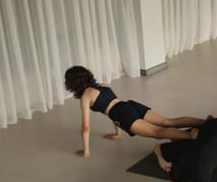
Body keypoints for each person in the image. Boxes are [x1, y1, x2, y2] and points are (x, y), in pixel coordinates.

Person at [64, 66, 204, 158]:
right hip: (129, 105)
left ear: (73, 83)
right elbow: (111, 104)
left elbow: (86, 127)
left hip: (121, 114)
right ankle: (205, 122)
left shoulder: (85, 97)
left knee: (158, 132)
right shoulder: (100, 85)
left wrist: (86, 151)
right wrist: (118, 133)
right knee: (168, 121)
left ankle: (190, 135)